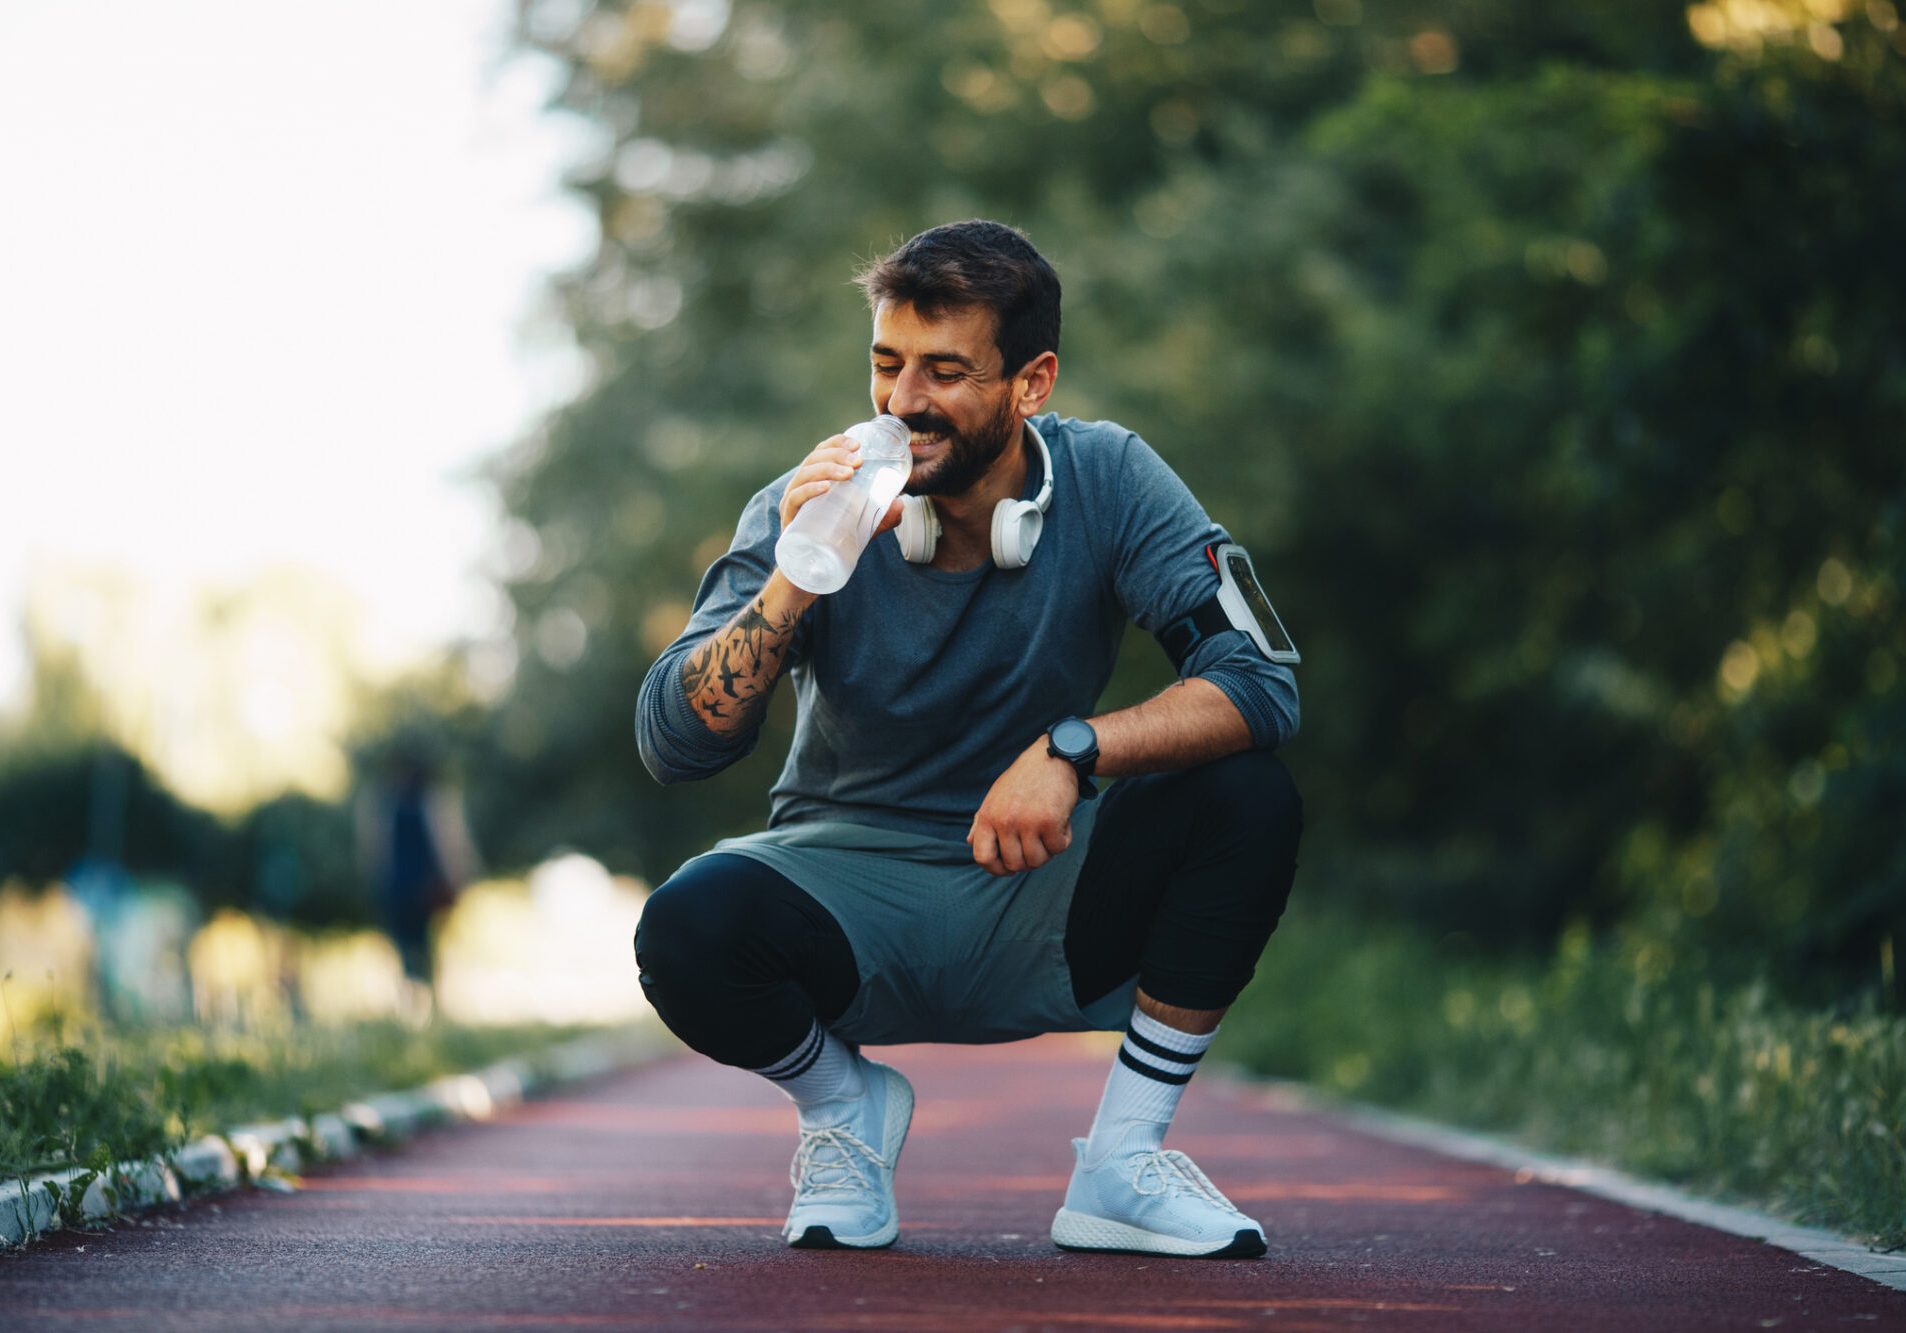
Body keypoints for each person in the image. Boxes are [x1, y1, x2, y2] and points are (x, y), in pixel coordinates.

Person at [634, 220, 1302, 1259]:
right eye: (887, 365)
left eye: (944, 371)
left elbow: (1259, 684)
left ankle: (1122, 1163)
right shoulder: (806, 501)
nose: (903, 402)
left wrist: (1070, 751)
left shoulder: (1111, 479)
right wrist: (797, 567)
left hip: (1042, 883)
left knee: (1247, 796)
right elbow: (678, 745)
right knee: (686, 927)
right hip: (844, 891)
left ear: (1030, 383)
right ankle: (844, 1107)